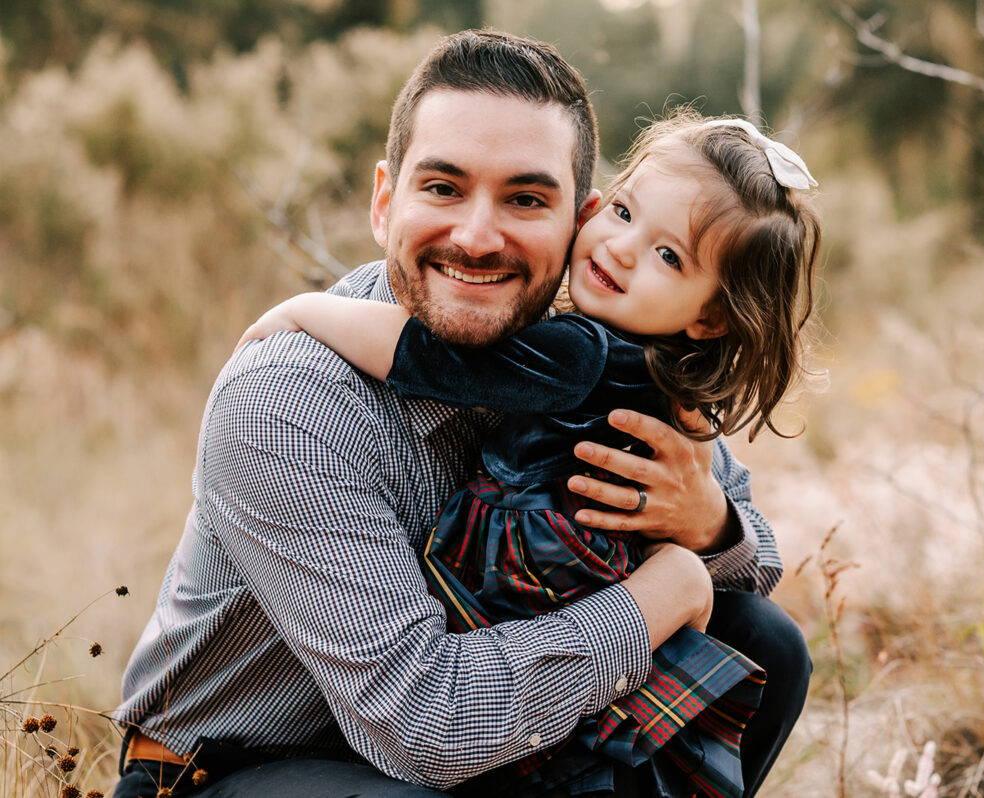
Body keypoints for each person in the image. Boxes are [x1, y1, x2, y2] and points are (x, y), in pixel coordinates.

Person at [113, 30, 810, 798]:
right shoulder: (289, 401)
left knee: (762, 645)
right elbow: (427, 728)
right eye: (443, 188)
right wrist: (656, 598)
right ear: (386, 202)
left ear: (575, 218)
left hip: (486, 738)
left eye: (524, 198)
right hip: (244, 770)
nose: (478, 238)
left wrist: (707, 523)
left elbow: (758, 567)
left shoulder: (599, 355)